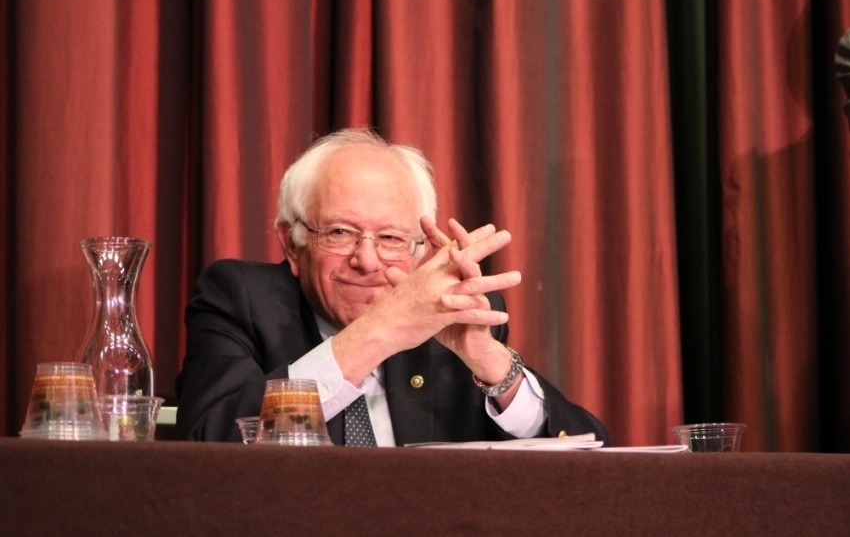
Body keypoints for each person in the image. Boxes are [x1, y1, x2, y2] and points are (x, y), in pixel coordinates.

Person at [175, 128, 608, 446]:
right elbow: (208, 441)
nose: (367, 261)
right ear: (293, 242)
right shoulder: (239, 297)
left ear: (419, 251)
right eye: (340, 233)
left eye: (391, 239)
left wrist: (495, 367)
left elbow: (591, 449)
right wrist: (378, 332)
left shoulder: (455, 314)